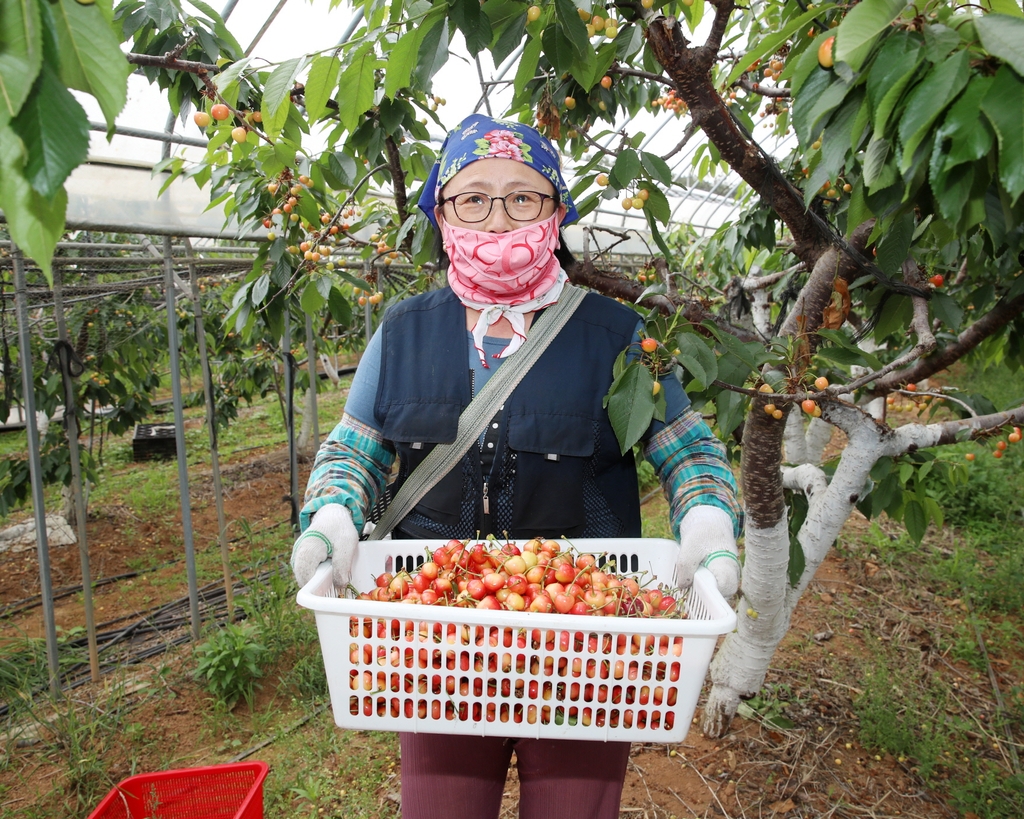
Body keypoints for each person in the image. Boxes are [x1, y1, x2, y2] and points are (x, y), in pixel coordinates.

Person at [290, 115, 742, 819]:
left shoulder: (628, 335)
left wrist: (709, 515)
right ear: (441, 216)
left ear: (557, 210)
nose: (497, 219)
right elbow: (356, 449)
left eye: (522, 198)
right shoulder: (401, 331)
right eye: (472, 199)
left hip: (588, 644)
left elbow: (687, 446)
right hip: (440, 644)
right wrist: (333, 513)